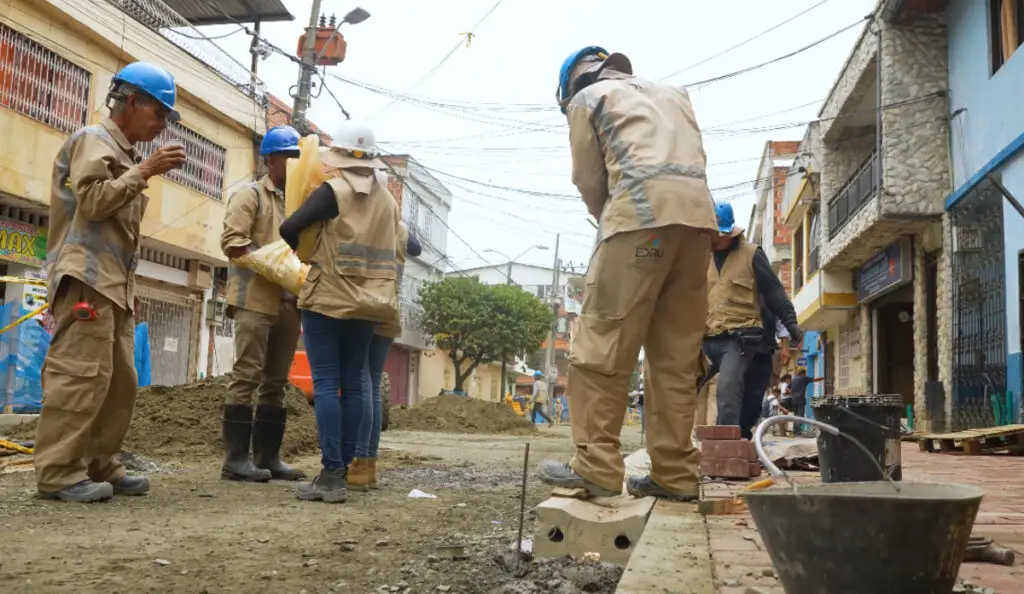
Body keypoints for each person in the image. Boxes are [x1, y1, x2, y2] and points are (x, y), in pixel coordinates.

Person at [537, 46, 719, 501]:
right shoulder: (674, 94)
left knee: (602, 347)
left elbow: (589, 179)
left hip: (639, 226)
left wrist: (615, 224)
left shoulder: (588, 99)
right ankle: (675, 476)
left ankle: (597, 468)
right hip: (697, 229)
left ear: (571, 84)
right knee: (676, 361)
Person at [33, 62, 186, 502]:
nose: (161, 126)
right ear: (132, 102)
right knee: (79, 376)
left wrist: (140, 169)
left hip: (114, 286)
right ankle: (60, 473)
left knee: (118, 381)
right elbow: (95, 202)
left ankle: (101, 464)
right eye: (158, 113)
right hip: (86, 278)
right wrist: (145, 171)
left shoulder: (124, 155)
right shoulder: (92, 142)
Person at [279, 121, 400, 504]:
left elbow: (289, 228)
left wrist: (311, 248)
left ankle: (331, 472)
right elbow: (403, 246)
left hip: (329, 297)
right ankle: (348, 469)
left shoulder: (332, 192)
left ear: (341, 157)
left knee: (328, 382)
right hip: (370, 302)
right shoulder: (389, 200)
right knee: (358, 382)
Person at [219, 125, 305, 483]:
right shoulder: (250, 197)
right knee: (247, 376)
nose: (294, 164)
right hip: (254, 300)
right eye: (288, 156)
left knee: (276, 382)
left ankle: (268, 457)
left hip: (289, 302)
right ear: (270, 160)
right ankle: (235, 460)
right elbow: (233, 244)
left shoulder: (302, 202)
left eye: (298, 157)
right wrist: (274, 264)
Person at [702, 201, 803, 439]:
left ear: (732, 233)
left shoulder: (751, 254)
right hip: (705, 338)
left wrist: (791, 323)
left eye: (722, 234)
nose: (717, 239)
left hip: (739, 339)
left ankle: (727, 448)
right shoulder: (699, 258)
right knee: (680, 388)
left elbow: (775, 292)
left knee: (728, 390)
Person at [348, 216, 422, 491]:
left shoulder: (368, 223)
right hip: (390, 310)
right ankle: (368, 466)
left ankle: (356, 463)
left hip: (367, 307)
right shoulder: (400, 230)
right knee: (374, 380)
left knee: (362, 381)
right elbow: (416, 248)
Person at [789, 366, 824, 435]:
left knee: (795, 415)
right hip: (800, 399)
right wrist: (824, 377)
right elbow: (815, 379)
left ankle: (795, 431)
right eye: (805, 373)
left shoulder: (794, 379)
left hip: (793, 400)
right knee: (801, 415)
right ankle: (797, 431)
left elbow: (788, 387)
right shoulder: (804, 378)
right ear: (803, 373)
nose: (805, 374)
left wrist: (792, 392)